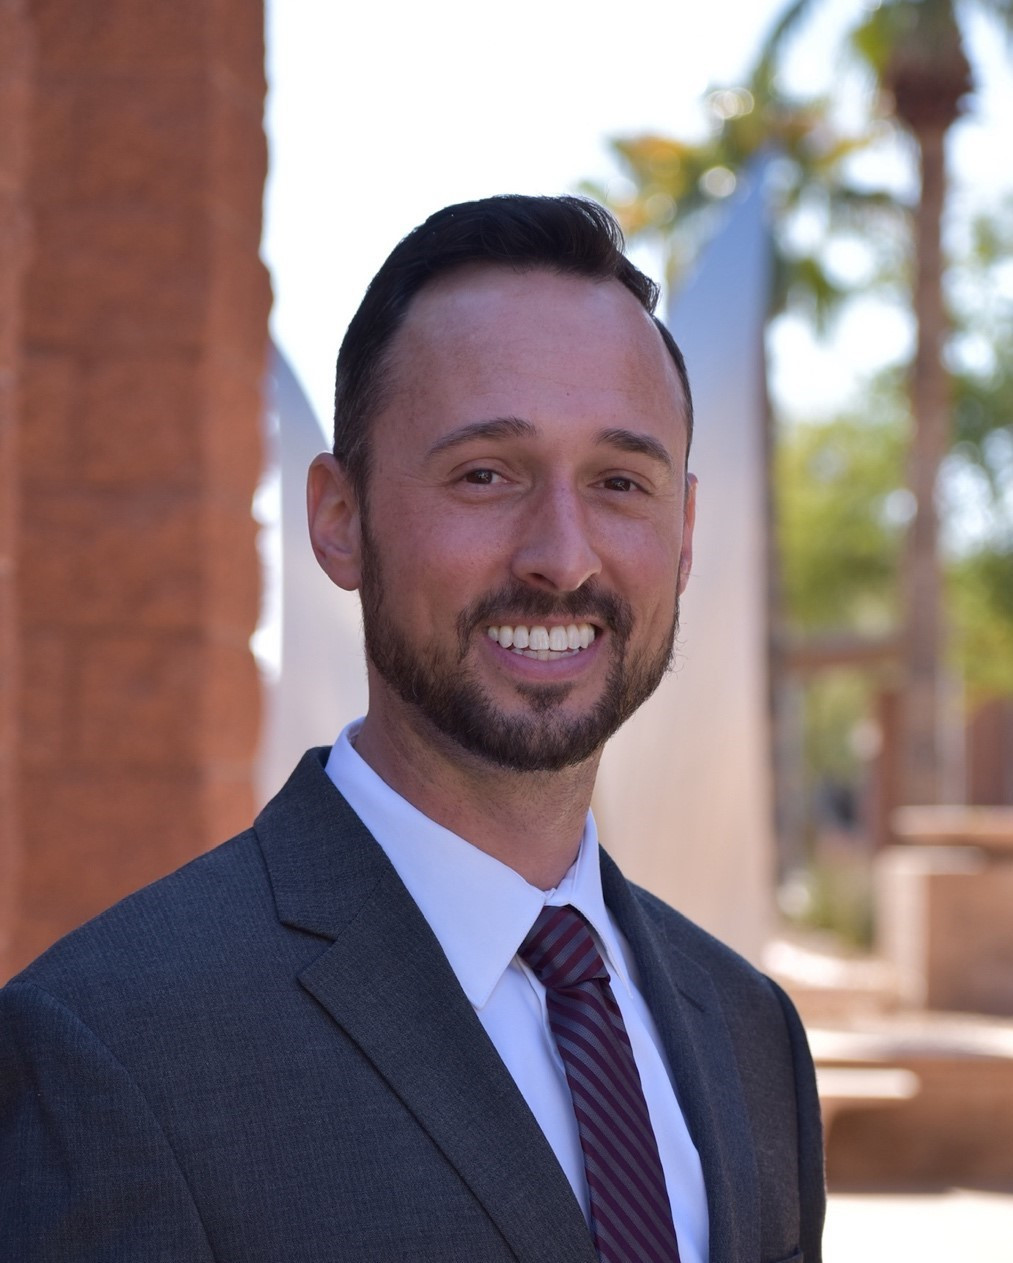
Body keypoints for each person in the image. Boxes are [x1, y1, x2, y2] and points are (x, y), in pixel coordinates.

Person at [0, 195, 824, 1262]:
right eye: (485, 474)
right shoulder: (112, 1045)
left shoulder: (752, 1033)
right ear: (339, 521)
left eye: (620, 483)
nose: (562, 557)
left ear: (683, 534)